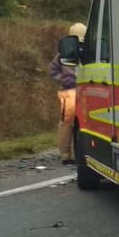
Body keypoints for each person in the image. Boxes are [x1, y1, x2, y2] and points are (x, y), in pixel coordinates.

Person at [50, 22, 87, 165]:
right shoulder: (67, 54)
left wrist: (62, 79)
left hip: (74, 90)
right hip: (75, 90)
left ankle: (67, 154)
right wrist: (64, 79)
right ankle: (68, 154)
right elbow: (53, 70)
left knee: (68, 124)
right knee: (70, 124)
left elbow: (52, 70)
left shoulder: (64, 54)